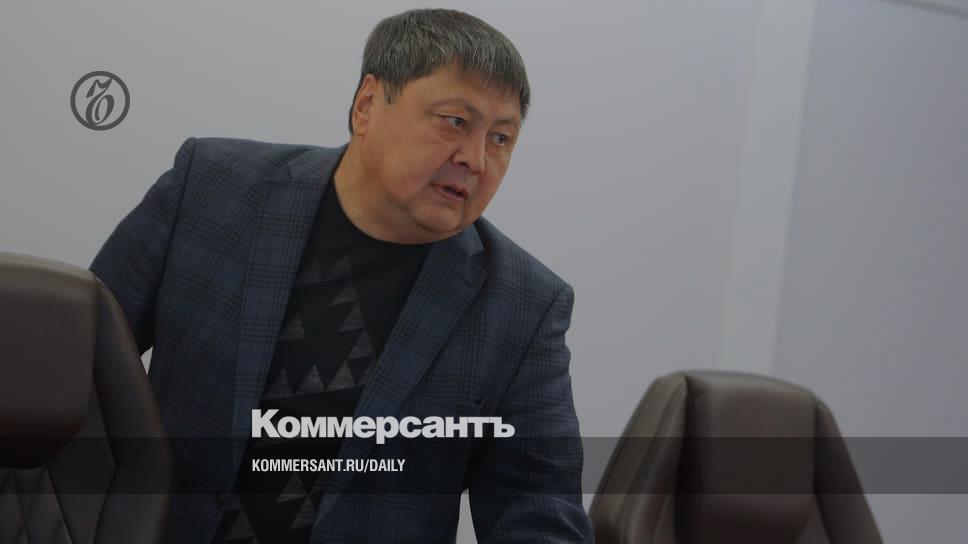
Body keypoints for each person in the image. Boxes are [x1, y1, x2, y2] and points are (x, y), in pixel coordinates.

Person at [91, 8, 591, 543]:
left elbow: (539, 515)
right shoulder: (211, 187)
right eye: (455, 121)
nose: (475, 159)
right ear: (367, 104)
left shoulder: (524, 307)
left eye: (501, 138)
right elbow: (73, 370)